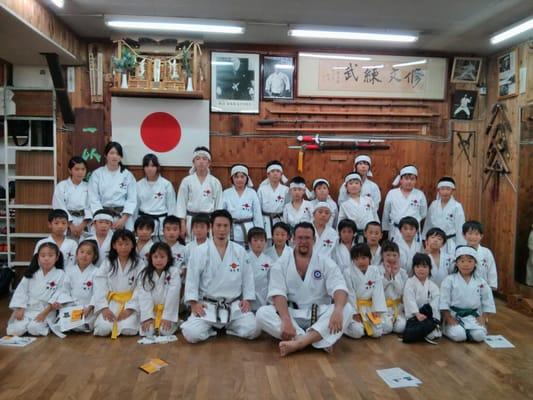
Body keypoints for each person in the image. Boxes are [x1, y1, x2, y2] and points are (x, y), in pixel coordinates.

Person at [256, 222, 352, 356]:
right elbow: (278, 294)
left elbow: (339, 287)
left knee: (346, 308)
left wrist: (337, 309)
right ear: (293, 239)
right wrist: (286, 320)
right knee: (262, 313)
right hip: (291, 315)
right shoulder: (281, 264)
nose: (303, 242)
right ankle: (317, 339)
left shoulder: (325, 262)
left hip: (318, 314)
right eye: (300, 238)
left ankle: (299, 342)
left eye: (307, 238)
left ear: (314, 240)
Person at [181, 210, 258, 343]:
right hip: (208, 307)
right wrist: (194, 304)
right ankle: (212, 330)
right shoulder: (199, 251)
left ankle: (227, 328)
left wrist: (247, 299)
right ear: (211, 227)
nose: (222, 229)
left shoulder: (239, 251)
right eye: (218, 225)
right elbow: (192, 279)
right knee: (191, 333)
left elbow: (247, 277)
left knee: (254, 328)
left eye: (225, 226)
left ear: (230, 227)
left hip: (233, 307)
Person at [93, 229, 144, 338]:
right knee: (103, 329)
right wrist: (104, 308)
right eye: (120, 244)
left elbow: (141, 287)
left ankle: (127, 319)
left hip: (130, 302)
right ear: (114, 245)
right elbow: (99, 285)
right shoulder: (108, 262)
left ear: (132, 245)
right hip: (111, 302)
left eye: (127, 244)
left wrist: (130, 309)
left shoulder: (139, 263)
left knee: (128, 329)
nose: (123, 247)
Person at [7, 242, 65, 336]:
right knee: (14, 331)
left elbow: (59, 294)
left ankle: (44, 326)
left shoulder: (60, 274)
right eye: (43, 255)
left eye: (50, 256)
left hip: (46, 310)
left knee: (34, 329)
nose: (46, 259)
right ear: (38, 257)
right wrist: (20, 308)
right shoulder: (31, 273)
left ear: (57, 258)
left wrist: (45, 313)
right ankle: (25, 325)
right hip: (28, 309)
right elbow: (21, 291)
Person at [440, 246, 496, 342]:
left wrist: (483, 317)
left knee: (480, 336)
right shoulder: (449, 280)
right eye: (462, 261)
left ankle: (469, 332)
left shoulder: (481, 282)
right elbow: (443, 301)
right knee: (459, 336)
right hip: (454, 315)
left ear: (475, 264)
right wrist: (448, 318)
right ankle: (448, 329)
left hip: (473, 316)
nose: (466, 264)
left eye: (470, 261)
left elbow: (487, 300)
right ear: (456, 264)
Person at [176, 146, 222, 242]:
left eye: (204, 159)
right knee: (191, 247)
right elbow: (181, 204)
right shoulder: (187, 181)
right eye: (198, 159)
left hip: (208, 221)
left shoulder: (215, 182)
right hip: (191, 220)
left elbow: (219, 206)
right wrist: (182, 224)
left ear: (209, 162)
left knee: (207, 248)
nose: (201, 161)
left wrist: (216, 225)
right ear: (193, 162)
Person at [88, 142, 137, 231]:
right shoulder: (97, 174)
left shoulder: (127, 175)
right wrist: (103, 219)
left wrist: (124, 219)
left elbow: (132, 199)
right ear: (105, 155)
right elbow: (93, 198)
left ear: (121, 157)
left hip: (122, 217)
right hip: (101, 217)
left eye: (118, 154)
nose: (115, 156)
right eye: (111, 153)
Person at [135, 242, 181, 337]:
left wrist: (167, 317)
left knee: (164, 331)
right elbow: (144, 297)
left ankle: (176, 322)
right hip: (152, 312)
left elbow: (173, 296)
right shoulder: (144, 275)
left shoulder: (174, 272)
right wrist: (147, 317)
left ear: (168, 258)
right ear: (150, 258)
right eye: (155, 257)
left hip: (167, 312)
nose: (158, 260)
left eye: (162, 257)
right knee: (148, 332)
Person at [342, 243, 387, 339]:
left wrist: (377, 310)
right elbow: (350, 294)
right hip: (353, 308)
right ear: (352, 260)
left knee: (377, 332)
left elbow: (378, 292)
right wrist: (354, 313)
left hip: (369, 308)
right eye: (356, 259)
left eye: (363, 258)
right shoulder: (348, 272)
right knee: (357, 332)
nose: (360, 262)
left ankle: (366, 326)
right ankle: (345, 327)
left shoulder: (374, 270)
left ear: (369, 258)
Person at [58, 239, 99, 332]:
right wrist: (69, 305)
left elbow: (97, 293)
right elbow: (65, 291)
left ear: (94, 256)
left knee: (82, 325)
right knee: (63, 325)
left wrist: (89, 308)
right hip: (72, 307)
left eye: (89, 253)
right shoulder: (69, 271)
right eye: (82, 252)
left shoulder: (96, 272)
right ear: (76, 254)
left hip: (89, 309)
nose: (84, 255)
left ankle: (82, 324)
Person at [402, 253, 441, 344]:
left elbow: (435, 304)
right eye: (418, 266)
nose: (421, 269)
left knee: (435, 334)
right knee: (401, 327)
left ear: (429, 269)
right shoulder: (410, 283)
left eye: (424, 266)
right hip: (414, 316)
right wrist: (417, 314)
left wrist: (429, 316)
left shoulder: (433, 286)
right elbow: (409, 300)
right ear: (413, 268)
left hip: (428, 316)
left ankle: (424, 332)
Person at [382, 165, 427, 242]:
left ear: (416, 180)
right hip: (396, 230)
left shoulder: (420, 194)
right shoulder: (392, 193)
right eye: (406, 178)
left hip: (413, 231)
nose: (409, 181)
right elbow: (386, 212)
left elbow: (423, 213)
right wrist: (385, 229)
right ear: (401, 180)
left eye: (412, 179)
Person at [221, 164, 263, 246]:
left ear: (247, 178)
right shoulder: (226, 193)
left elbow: (257, 214)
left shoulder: (252, 193)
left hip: (248, 229)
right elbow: (222, 214)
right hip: (231, 229)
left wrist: (259, 232)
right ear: (232, 179)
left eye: (242, 176)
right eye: (236, 177)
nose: (239, 179)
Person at [136, 154, 176, 238]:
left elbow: (172, 207)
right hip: (144, 224)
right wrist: (134, 225)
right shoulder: (138, 185)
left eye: (152, 166)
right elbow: (135, 208)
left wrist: (169, 228)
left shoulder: (166, 184)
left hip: (161, 223)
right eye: (146, 166)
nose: (149, 169)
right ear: (143, 168)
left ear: (157, 167)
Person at [422, 177, 466, 254]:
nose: (445, 192)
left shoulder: (457, 206)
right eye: (442, 189)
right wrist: (425, 240)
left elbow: (460, 228)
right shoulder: (434, 205)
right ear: (438, 190)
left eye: (448, 189)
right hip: (434, 242)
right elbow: (428, 224)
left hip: (450, 242)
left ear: (452, 191)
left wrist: (460, 246)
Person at [52, 156, 91, 239]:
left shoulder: (89, 187)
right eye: (77, 169)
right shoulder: (61, 186)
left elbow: (91, 207)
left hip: (84, 222)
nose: (80, 172)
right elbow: (59, 206)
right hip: (66, 222)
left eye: (83, 169)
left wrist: (82, 225)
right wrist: (70, 224)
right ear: (70, 170)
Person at [338, 172, 379, 242]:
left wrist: (378, 229)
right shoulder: (344, 205)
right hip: (354, 237)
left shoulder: (368, 200)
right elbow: (341, 222)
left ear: (361, 186)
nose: (354, 186)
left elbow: (375, 216)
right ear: (346, 187)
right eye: (351, 184)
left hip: (370, 235)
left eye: (356, 183)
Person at [380, 241, 408, 335]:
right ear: (382, 255)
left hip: (397, 308)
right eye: (388, 255)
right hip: (382, 308)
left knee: (401, 328)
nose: (391, 258)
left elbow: (403, 292)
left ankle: (394, 321)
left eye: (394, 255)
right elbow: (377, 291)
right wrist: (387, 276)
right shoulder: (376, 270)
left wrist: (395, 276)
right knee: (387, 327)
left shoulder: (402, 273)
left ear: (399, 256)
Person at [257, 161, 289, 242]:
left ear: (281, 174)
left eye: (278, 171)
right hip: (265, 221)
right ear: (268, 174)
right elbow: (258, 209)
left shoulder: (285, 190)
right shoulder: (262, 189)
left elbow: (287, 208)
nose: (275, 174)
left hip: (280, 220)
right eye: (272, 171)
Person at [463, 221, 498, 290]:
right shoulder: (460, 252)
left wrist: (492, 285)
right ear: (464, 235)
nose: (473, 237)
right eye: (470, 233)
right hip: (464, 287)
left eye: (476, 234)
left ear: (481, 236)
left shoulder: (486, 252)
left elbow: (491, 269)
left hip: (483, 287)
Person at [246, 227, 273, 312]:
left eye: (262, 241)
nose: (259, 243)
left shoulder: (269, 261)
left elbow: (271, 282)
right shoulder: (244, 259)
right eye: (255, 240)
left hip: (264, 299)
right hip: (247, 300)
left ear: (265, 242)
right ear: (249, 242)